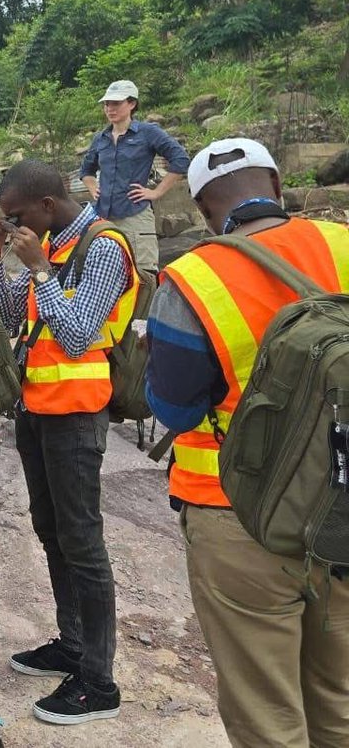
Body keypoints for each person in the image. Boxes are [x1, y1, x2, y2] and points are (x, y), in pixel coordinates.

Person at [145, 138, 349, 748]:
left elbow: (175, 411)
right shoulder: (343, 243)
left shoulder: (191, 279)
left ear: (206, 211)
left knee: (267, 716)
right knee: (341, 700)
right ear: (280, 189)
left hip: (238, 513)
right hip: (342, 507)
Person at [0, 158, 140, 725]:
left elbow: (76, 337)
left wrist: (42, 270)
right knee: (51, 530)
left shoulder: (102, 247)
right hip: (37, 408)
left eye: (17, 215)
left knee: (83, 541)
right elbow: (7, 317)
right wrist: (4, 261)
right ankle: (72, 644)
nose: (14, 225)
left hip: (77, 414)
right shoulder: (38, 246)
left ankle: (98, 683)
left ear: (48, 205)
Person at [79, 80, 190, 273]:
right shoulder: (100, 138)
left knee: (144, 274)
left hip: (135, 215)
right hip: (103, 219)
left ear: (131, 104)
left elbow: (180, 159)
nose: (109, 109)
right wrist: (93, 188)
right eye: (107, 104)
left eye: (116, 103)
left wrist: (156, 192)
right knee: (106, 275)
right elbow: (86, 170)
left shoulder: (148, 133)